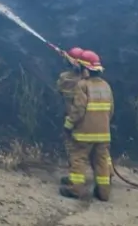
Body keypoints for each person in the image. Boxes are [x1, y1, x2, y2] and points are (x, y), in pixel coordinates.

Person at [59, 49, 113, 202]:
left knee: (78, 158)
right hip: (104, 134)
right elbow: (111, 110)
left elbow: (78, 109)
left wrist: (69, 124)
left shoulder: (82, 85)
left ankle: (75, 189)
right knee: (101, 161)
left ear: (85, 69)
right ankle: (104, 192)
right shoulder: (106, 86)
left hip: (84, 133)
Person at [56, 47, 84, 186]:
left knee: (73, 150)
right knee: (99, 151)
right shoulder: (86, 80)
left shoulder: (64, 78)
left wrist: (66, 58)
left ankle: (76, 182)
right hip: (88, 118)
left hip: (72, 117)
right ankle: (105, 175)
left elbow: (60, 87)